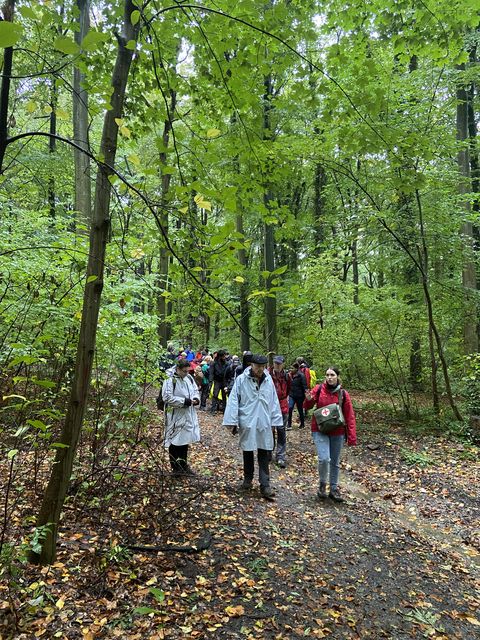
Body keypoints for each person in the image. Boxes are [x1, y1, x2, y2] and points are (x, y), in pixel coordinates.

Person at [223, 354, 283, 500]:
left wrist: (276, 420)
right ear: (251, 365)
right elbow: (233, 401)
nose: (260, 369)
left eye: (263, 367)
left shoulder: (268, 380)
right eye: (258, 367)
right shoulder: (241, 380)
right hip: (247, 420)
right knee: (248, 450)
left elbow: (273, 401)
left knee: (264, 451)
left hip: (263, 420)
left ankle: (265, 484)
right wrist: (232, 421)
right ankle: (247, 480)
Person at [304, 366, 357, 502]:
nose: (329, 377)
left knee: (334, 461)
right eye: (327, 375)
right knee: (324, 458)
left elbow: (349, 415)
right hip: (320, 429)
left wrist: (351, 437)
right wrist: (309, 399)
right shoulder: (319, 389)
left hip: (337, 431)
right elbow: (307, 406)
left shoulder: (343, 394)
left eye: (332, 375)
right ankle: (322, 485)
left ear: (337, 376)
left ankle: (333, 489)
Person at [161, 359, 201, 475]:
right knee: (174, 441)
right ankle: (175, 468)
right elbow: (167, 398)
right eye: (184, 371)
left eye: (187, 371)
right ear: (177, 369)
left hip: (188, 414)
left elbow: (195, 389)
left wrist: (196, 399)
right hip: (175, 415)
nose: (186, 373)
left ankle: (183, 465)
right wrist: (185, 401)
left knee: (185, 440)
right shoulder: (169, 379)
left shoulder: (188, 378)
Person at [268, 355, 291, 468]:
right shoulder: (267, 374)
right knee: (269, 429)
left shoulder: (287, 376)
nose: (277, 365)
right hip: (269, 405)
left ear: (283, 364)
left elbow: (289, 390)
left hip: (282, 405)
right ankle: (268, 452)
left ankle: (280, 456)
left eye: (279, 363)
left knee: (281, 430)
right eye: (276, 363)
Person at [288, 362, 307, 429]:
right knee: (290, 408)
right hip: (291, 395)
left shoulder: (301, 376)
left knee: (300, 410)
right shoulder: (289, 375)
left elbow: (305, 386)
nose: (291, 369)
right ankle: (289, 424)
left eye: (292, 368)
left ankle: (302, 424)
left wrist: (305, 395)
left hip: (299, 396)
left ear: (296, 368)